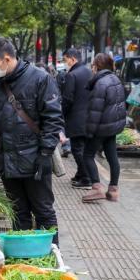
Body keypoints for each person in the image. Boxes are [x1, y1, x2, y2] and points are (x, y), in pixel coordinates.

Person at [0, 37, 64, 244]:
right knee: (18, 213)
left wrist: (45, 155)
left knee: (43, 212)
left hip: (34, 159)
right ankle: (24, 257)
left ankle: (52, 257)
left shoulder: (40, 79)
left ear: (6, 59)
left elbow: (53, 120)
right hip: (7, 160)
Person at [82, 53, 126, 203]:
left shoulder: (101, 83)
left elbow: (96, 111)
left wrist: (89, 132)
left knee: (87, 155)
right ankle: (113, 190)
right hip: (113, 126)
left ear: (97, 66)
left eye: (93, 65)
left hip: (101, 127)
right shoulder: (115, 79)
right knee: (112, 156)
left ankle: (97, 188)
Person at [62, 48, 92, 189]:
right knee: (85, 148)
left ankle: (86, 178)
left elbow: (67, 99)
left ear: (73, 59)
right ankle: (80, 174)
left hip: (76, 118)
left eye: (65, 59)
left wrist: (61, 114)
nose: (65, 62)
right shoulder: (89, 72)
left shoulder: (72, 75)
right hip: (90, 117)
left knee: (77, 149)